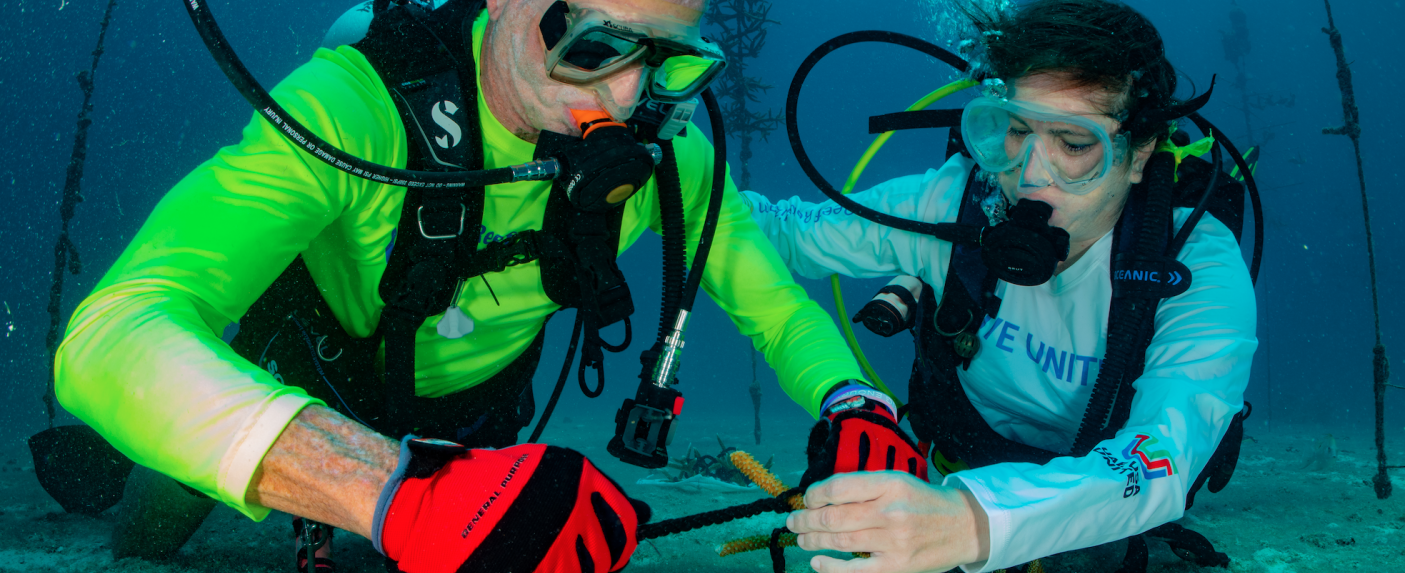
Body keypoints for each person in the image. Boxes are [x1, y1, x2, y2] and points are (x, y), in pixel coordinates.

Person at [50, 0, 901, 570]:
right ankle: (115, 476)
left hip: (480, 428)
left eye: (671, 60)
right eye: (594, 45)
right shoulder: (355, 107)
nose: (627, 93)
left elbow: (779, 310)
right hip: (300, 385)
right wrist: (386, 487)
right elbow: (108, 336)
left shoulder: (673, 158)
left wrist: (857, 401)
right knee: (142, 546)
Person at [744, 1, 1257, 572]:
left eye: (1075, 144)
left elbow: (1165, 455)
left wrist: (969, 523)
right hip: (957, 461)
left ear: (1137, 154)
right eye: (1015, 131)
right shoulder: (954, 204)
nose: (1032, 176)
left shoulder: (1192, 261)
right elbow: (779, 233)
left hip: (1094, 495)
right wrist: (672, 171)